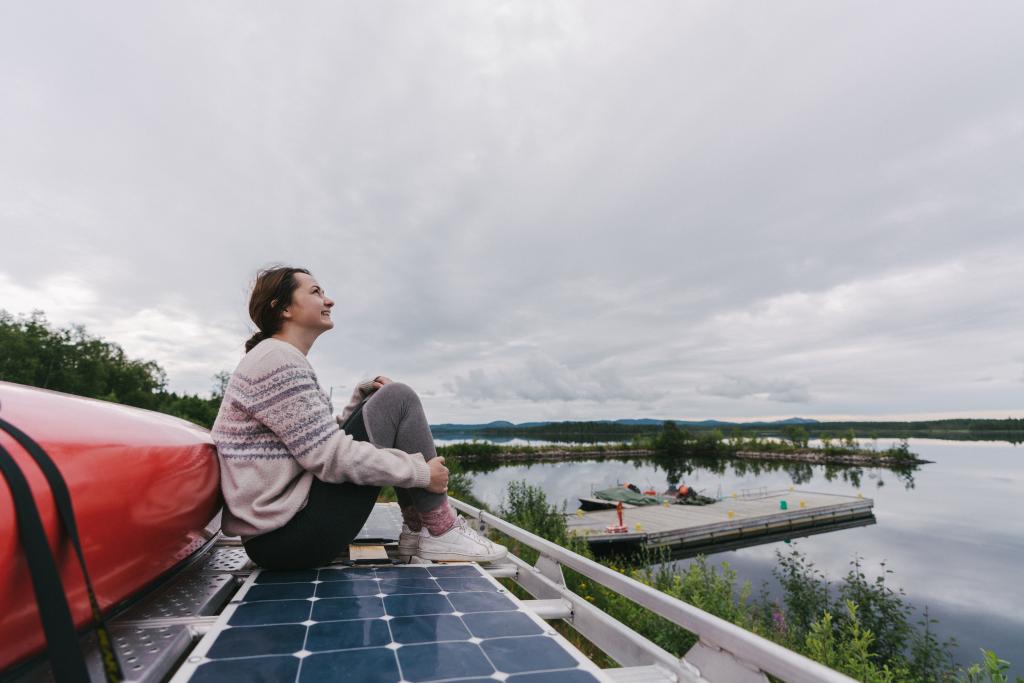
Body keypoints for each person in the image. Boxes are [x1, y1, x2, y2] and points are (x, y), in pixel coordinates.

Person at [211, 266, 506, 570]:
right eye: (316, 292)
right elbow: (330, 457)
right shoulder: (277, 360)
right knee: (399, 398)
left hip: (278, 537)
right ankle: (440, 529)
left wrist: (360, 401)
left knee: (388, 400)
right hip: (287, 538)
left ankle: (419, 531)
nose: (329, 300)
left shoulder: (275, 357)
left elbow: (316, 445)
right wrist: (421, 473)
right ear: (284, 308)